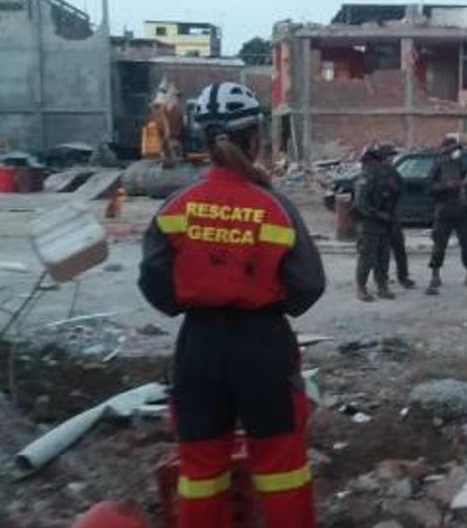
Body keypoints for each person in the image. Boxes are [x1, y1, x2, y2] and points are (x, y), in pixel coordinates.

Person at [138, 82, 326, 528]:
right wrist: (268, 302)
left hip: (199, 348)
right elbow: (308, 284)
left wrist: (194, 300)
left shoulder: (176, 205)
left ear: (202, 141)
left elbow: (153, 280)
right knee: (282, 471)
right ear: (256, 139)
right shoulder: (275, 207)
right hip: (262, 347)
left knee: (201, 473)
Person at [424, 145, 467, 295]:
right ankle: (435, 274)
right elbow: (429, 186)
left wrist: (464, 190)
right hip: (444, 209)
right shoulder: (438, 166)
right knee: (439, 244)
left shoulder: (462, 166)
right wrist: (445, 186)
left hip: (462, 210)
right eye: (454, 150)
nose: (457, 153)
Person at [354, 143, 401, 302]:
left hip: (385, 222)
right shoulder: (366, 177)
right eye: (384, 158)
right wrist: (378, 214)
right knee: (367, 256)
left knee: (383, 256)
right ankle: (361, 288)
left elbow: (396, 193)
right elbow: (362, 204)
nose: (388, 161)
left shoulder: (387, 175)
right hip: (369, 223)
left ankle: (382, 285)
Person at [386, 159, 417, 290]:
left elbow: (401, 188)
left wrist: (394, 189)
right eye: (387, 156)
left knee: (399, 247)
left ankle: (403, 276)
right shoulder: (373, 172)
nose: (389, 159)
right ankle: (382, 278)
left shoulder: (392, 172)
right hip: (377, 217)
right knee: (381, 251)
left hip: (392, 215)